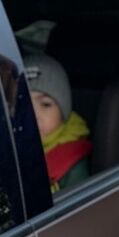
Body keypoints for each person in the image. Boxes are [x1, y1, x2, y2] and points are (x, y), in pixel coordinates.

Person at [25, 54, 92, 196]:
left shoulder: (72, 164)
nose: (32, 115)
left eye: (45, 104)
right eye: (22, 105)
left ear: (63, 114)